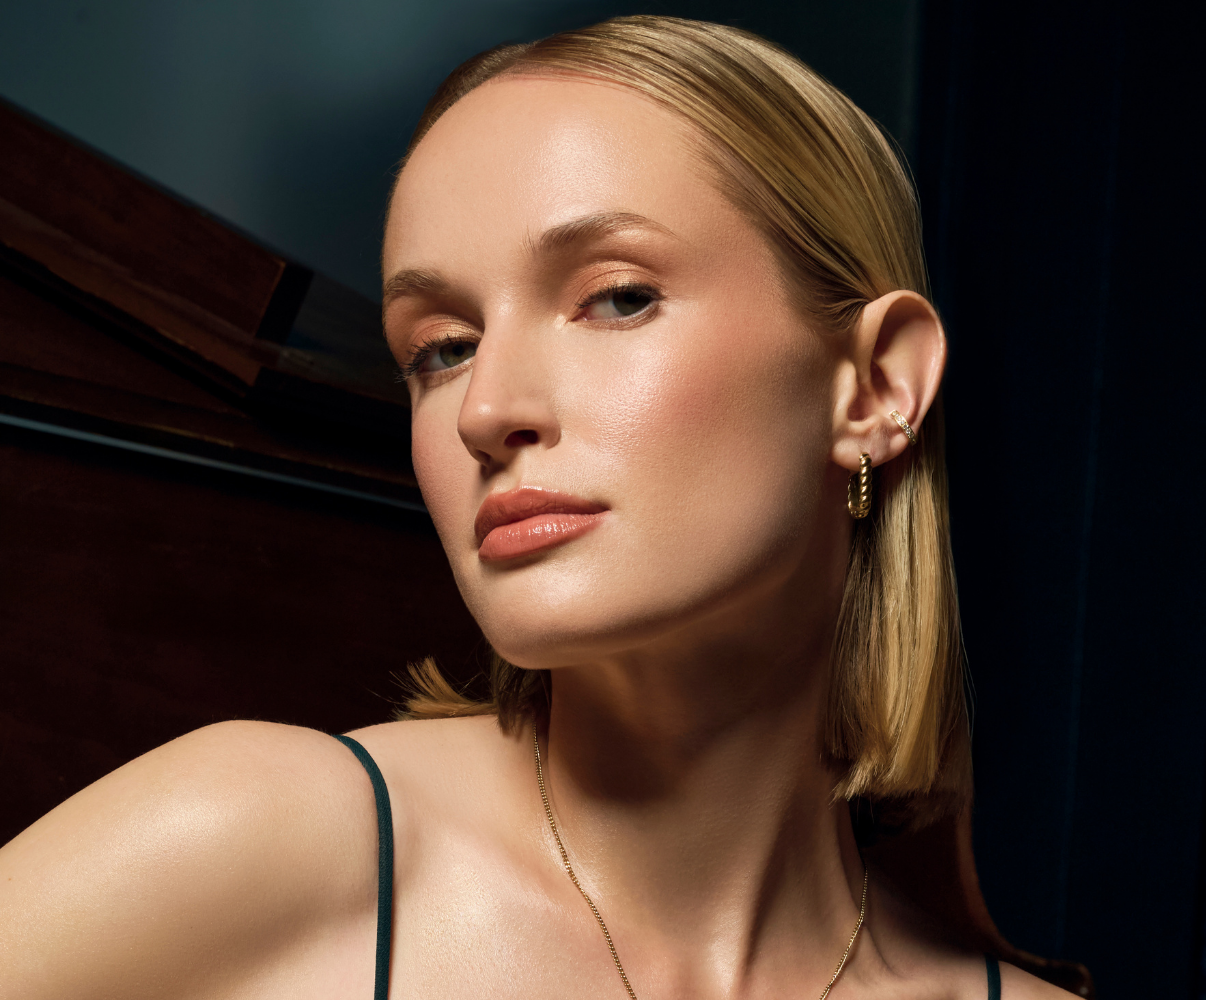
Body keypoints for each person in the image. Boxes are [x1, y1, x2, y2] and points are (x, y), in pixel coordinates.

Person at [0, 16, 1090, 1000]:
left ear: (876, 387)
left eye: (616, 298)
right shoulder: (258, 843)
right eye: (441, 349)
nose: (486, 410)